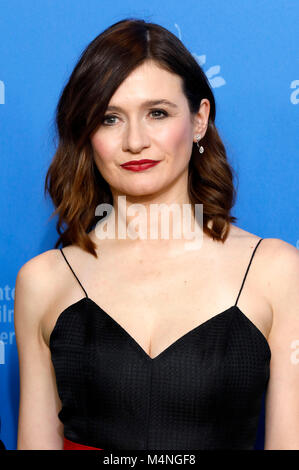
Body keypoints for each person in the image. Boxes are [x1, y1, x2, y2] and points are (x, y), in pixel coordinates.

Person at [14, 18, 299, 450]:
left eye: (157, 113)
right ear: (87, 134)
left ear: (199, 119)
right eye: (110, 118)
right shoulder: (44, 279)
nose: (135, 141)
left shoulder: (275, 271)